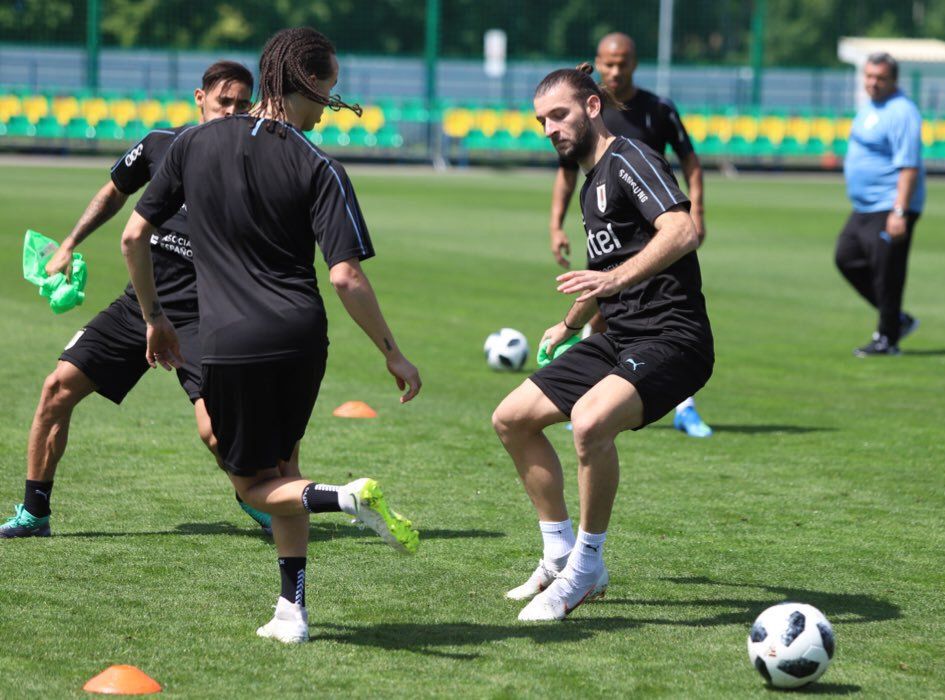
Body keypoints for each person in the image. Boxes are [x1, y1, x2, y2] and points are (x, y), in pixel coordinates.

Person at [122, 27, 421, 644]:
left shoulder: (192, 145)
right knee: (285, 467)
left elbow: (132, 238)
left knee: (255, 485)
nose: (329, 111)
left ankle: (344, 498)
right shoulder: (319, 165)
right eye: (328, 93)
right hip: (303, 339)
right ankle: (293, 609)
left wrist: (154, 318)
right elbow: (345, 276)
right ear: (306, 84)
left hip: (231, 339)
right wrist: (392, 353)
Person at [0, 61, 273, 539]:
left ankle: (259, 498)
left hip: (204, 315)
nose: (231, 111)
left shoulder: (253, 164)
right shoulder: (160, 144)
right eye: (222, 101)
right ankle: (33, 513)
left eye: (240, 104)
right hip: (140, 305)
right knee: (55, 389)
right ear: (199, 98)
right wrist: (68, 244)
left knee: (214, 432)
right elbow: (113, 193)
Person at [493, 64, 713, 621]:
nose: (549, 129)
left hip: (674, 337)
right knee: (512, 417)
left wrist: (613, 281)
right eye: (542, 120)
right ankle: (558, 554)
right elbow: (605, 268)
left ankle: (587, 568)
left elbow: (682, 231)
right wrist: (568, 323)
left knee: (589, 422)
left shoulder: (630, 158)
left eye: (559, 115)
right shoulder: (592, 183)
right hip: (621, 337)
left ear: (592, 107)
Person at [548, 32, 711, 437]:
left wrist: (697, 209)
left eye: (622, 63)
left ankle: (683, 408)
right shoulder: (581, 119)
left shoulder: (656, 112)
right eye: (608, 63)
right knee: (605, 310)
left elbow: (690, 162)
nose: (615, 70)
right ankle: (592, 399)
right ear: (599, 63)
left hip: (651, 238)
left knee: (661, 320)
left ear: (635, 63)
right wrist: (555, 223)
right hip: (609, 238)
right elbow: (567, 175)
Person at [835, 51, 925, 356]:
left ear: (894, 80)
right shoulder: (869, 107)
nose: (873, 83)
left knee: (888, 272)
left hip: (890, 205)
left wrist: (899, 211)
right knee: (845, 257)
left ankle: (888, 339)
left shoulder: (902, 112)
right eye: (869, 76)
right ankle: (896, 318)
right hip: (864, 206)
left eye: (880, 78)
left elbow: (909, 166)